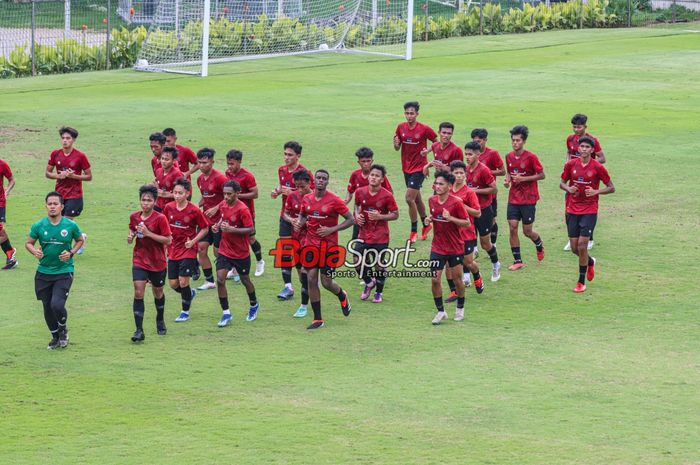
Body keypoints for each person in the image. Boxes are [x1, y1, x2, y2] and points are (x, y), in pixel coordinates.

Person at [25, 192, 84, 349]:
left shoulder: (70, 226)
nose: (52, 206)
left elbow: (80, 240)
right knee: (46, 306)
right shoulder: (39, 225)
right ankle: (55, 337)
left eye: (55, 204)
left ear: (62, 206)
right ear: (46, 206)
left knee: (56, 305)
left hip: (64, 271)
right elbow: (29, 243)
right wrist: (34, 251)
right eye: (49, 204)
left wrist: (71, 252)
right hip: (43, 272)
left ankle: (63, 330)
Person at [298, 170, 354, 330]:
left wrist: (331, 229)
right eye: (318, 178)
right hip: (310, 245)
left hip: (329, 247)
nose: (321, 181)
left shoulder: (334, 200)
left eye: (324, 179)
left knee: (326, 282)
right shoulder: (306, 198)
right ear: (313, 181)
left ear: (327, 182)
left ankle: (342, 294)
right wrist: (299, 222)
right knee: (310, 279)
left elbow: (351, 220)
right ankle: (318, 319)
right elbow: (303, 215)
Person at [559, 136, 615, 292]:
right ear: (578, 148)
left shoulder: (598, 167)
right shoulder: (571, 165)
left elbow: (611, 187)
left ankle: (581, 281)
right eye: (581, 146)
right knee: (575, 248)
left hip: (589, 210)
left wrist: (596, 191)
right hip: (572, 209)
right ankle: (590, 262)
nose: (584, 149)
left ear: (592, 150)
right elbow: (561, 183)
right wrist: (568, 189)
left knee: (583, 245)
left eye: (587, 147)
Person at [128, 185, 173, 342]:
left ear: (155, 202)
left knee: (158, 292)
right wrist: (131, 235)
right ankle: (139, 330)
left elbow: (168, 239)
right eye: (143, 200)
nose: (145, 203)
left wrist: (148, 233)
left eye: (149, 200)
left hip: (157, 261)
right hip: (139, 258)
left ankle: (160, 319)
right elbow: (132, 229)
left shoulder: (160, 218)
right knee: (138, 292)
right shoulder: (134, 217)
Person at [424, 172, 470, 324]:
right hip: (437, 247)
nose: (437, 186)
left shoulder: (456, 202)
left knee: (457, 280)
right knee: (435, 279)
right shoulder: (431, 201)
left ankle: (460, 308)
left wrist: (450, 218)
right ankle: (441, 312)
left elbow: (467, 223)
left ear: (449, 187)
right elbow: (433, 218)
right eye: (436, 183)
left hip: (455, 247)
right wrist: (428, 220)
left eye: (441, 184)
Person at [270, 141, 314, 301]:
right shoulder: (281, 170)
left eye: (290, 155)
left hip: (302, 219)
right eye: (285, 154)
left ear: (298, 156)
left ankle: (305, 285)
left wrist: (293, 192)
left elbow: (313, 192)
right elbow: (283, 187)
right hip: (286, 216)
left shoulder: (305, 173)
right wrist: (277, 191)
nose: (286, 157)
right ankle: (288, 287)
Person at [212, 181, 259, 326]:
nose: (226, 197)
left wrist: (232, 229)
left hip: (241, 252)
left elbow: (250, 229)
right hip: (225, 249)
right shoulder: (224, 205)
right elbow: (223, 218)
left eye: (229, 194)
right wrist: (218, 225)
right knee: (220, 279)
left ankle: (254, 304)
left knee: (245, 280)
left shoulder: (243, 210)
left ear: (237, 193)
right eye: (224, 194)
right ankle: (226, 313)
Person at [163, 178, 210, 323]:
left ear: (187, 193)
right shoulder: (168, 208)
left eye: (180, 193)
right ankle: (190, 294)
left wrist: (194, 241)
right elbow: (164, 228)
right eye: (175, 193)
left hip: (188, 250)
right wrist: (165, 246)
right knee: (173, 284)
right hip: (173, 250)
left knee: (183, 282)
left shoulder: (194, 210)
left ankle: (185, 312)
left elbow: (205, 228)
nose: (177, 196)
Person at [353, 164, 399, 303]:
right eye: (372, 175)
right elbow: (357, 206)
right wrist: (357, 215)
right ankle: (369, 282)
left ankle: (378, 292)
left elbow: (395, 214)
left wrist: (380, 217)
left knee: (379, 264)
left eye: (377, 176)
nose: (373, 178)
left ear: (382, 179)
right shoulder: (360, 192)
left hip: (380, 235)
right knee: (357, 260)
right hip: (363, 233)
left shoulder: (387, 196)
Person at [393, 101, 437, 243]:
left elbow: (437, 142)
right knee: (416, 199)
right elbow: (397, 147)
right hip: (406, 168)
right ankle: (426, 224)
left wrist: (428, 152)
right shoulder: (400, 128)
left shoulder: (424, 129)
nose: (409, 116)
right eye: (407, 113)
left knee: (409, 198)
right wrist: (396, 144)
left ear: (417, 114)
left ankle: (413, 231)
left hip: (420, 168)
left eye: (412, 113)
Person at [504, 125, 546, 271]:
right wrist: (507, 180)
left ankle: (538, 243)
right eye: (513, 140)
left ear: (524, 141)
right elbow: (509, 172)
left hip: (528, 198)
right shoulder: (508, 156)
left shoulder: (531, 157)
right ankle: (518, 260)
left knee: (527, 231)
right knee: (512, 227)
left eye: (518, 140)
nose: (515, 143)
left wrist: (524, 179)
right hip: (513, 198)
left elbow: (542, 175)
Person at [344, 147, 392, 273]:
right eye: (363, 161)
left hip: (376, 222)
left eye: (368, 161)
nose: (366, 164)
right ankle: (368, 275)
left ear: (372, 161)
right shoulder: (355, 175)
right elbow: (350, 193)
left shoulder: (378, 176)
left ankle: (379, 267)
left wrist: (380, 213)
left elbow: (389, 194)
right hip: (360, 220)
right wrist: (346, 203)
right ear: (358, 162)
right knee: (357, 250)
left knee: (375, 250)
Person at [45, 127, 92, 253]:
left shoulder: (80, 156)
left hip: (75, 195)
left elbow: (89, 176)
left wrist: (74, 176)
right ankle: (80, 237)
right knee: (60, 220)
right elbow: (47, 173)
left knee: (65, 221)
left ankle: (64, 248)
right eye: (63, 138)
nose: (65, 141)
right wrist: (58, 175)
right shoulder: (56, 154)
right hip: (59, 194)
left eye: (68, 138)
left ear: (73, 140)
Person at [564, 114, 606, 251]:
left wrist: (589, 165)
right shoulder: (570, 139)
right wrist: (569, 164)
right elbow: (568, 153)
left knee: (588, 210)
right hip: (573, 181)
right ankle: (572, 237)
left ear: (585, 127)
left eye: (579, 127)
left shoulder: (592, 141)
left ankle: (589, 238)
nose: (576, 130)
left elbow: (602, 158)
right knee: (568, 209)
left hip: (588, 181)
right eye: (574, 127)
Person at [464, 141, 501, 283]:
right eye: (466, 154)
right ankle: (466, 276)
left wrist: (475, 191)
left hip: (484, 210)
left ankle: (495, 264)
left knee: (485, 244)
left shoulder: (484, 170)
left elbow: (494, 189)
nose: (467, 157)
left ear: (478, 154)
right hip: (469, 211)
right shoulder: (465, 170)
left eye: (470, 154)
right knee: (466, 243)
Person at [225, 149, 265, 277]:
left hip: (246, 213)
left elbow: (255, 194)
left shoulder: (247, 176)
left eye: (232, 164)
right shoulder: (228, 173)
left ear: (239, 162)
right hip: (232, 213)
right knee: (234, 238)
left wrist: (238, 196)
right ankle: (235, 268)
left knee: (250, 238)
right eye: (228, 164)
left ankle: (260, 261)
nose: (230, 167)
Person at [194, 148, 228, 291]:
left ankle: (233, 268)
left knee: (217, 252)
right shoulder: (200, 179)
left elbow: (229, 197)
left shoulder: (221, 178)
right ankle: (209, 280)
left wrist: (216, 208)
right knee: (201, 249)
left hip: (220, 221)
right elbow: (206, 196)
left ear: (212, 162)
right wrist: (197, 205)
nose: (202, 166)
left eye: (205, 163)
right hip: (205, 221)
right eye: (199, 162)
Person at [448, 160, 484, 296]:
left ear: (465, 175)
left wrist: (462, 206)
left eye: (461, 173)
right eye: (456, 173)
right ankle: (454, 291)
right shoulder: (448, 190)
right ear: (451, 174)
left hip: (467, 233)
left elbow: (478, 213)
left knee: (467, 262)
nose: (458, 176)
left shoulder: (469, 193)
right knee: (449, 263)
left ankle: (476, 274)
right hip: (451, 233)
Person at [283, 170, 312, 318]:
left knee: (306, 274)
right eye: (297, 186)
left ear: (309, 183)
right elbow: (285, 213)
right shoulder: (292, 196)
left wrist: (303, 222)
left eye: (302, 186)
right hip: (296, 239)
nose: (299, 189)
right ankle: (310, 288)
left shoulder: (314, 198)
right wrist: (291, 220)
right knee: (301, 275)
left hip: (310, 240)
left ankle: (303, 306)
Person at [471, 128, 505, 245]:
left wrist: (485, 171)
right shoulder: (471, 154)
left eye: (479, 141)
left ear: (485, 140)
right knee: (473, 220)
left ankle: (493, 243)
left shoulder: (492, 154)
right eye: (475, 141)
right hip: (473, 195)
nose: (477, 143)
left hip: (490, 194)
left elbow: (502, 171)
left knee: (492, 220)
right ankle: (474, 248)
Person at [154, 146, 183, 212]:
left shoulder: (177, 174)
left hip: (171, 209)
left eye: (167, 159)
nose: (163, 161)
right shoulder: (158, 171)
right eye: (162, 158)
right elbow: (157, 187)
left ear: (174, 161)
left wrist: (165, 194)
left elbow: (183, 194)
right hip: (158, 206)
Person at [0, 158, 17, 270]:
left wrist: (7, 191)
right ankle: (10, 251)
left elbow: (12, 180)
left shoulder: (2, 164)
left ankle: (10, 252)